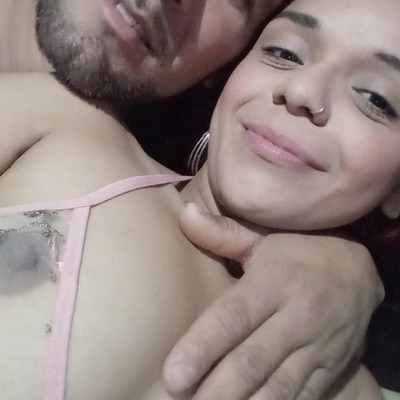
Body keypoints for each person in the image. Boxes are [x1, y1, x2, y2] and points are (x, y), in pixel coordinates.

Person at [0, 1, 384, 400]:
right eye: (284, 53)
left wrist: (349, 262)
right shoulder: (64, 128)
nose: (302, 92)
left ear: (227, 67)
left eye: (376, 99)